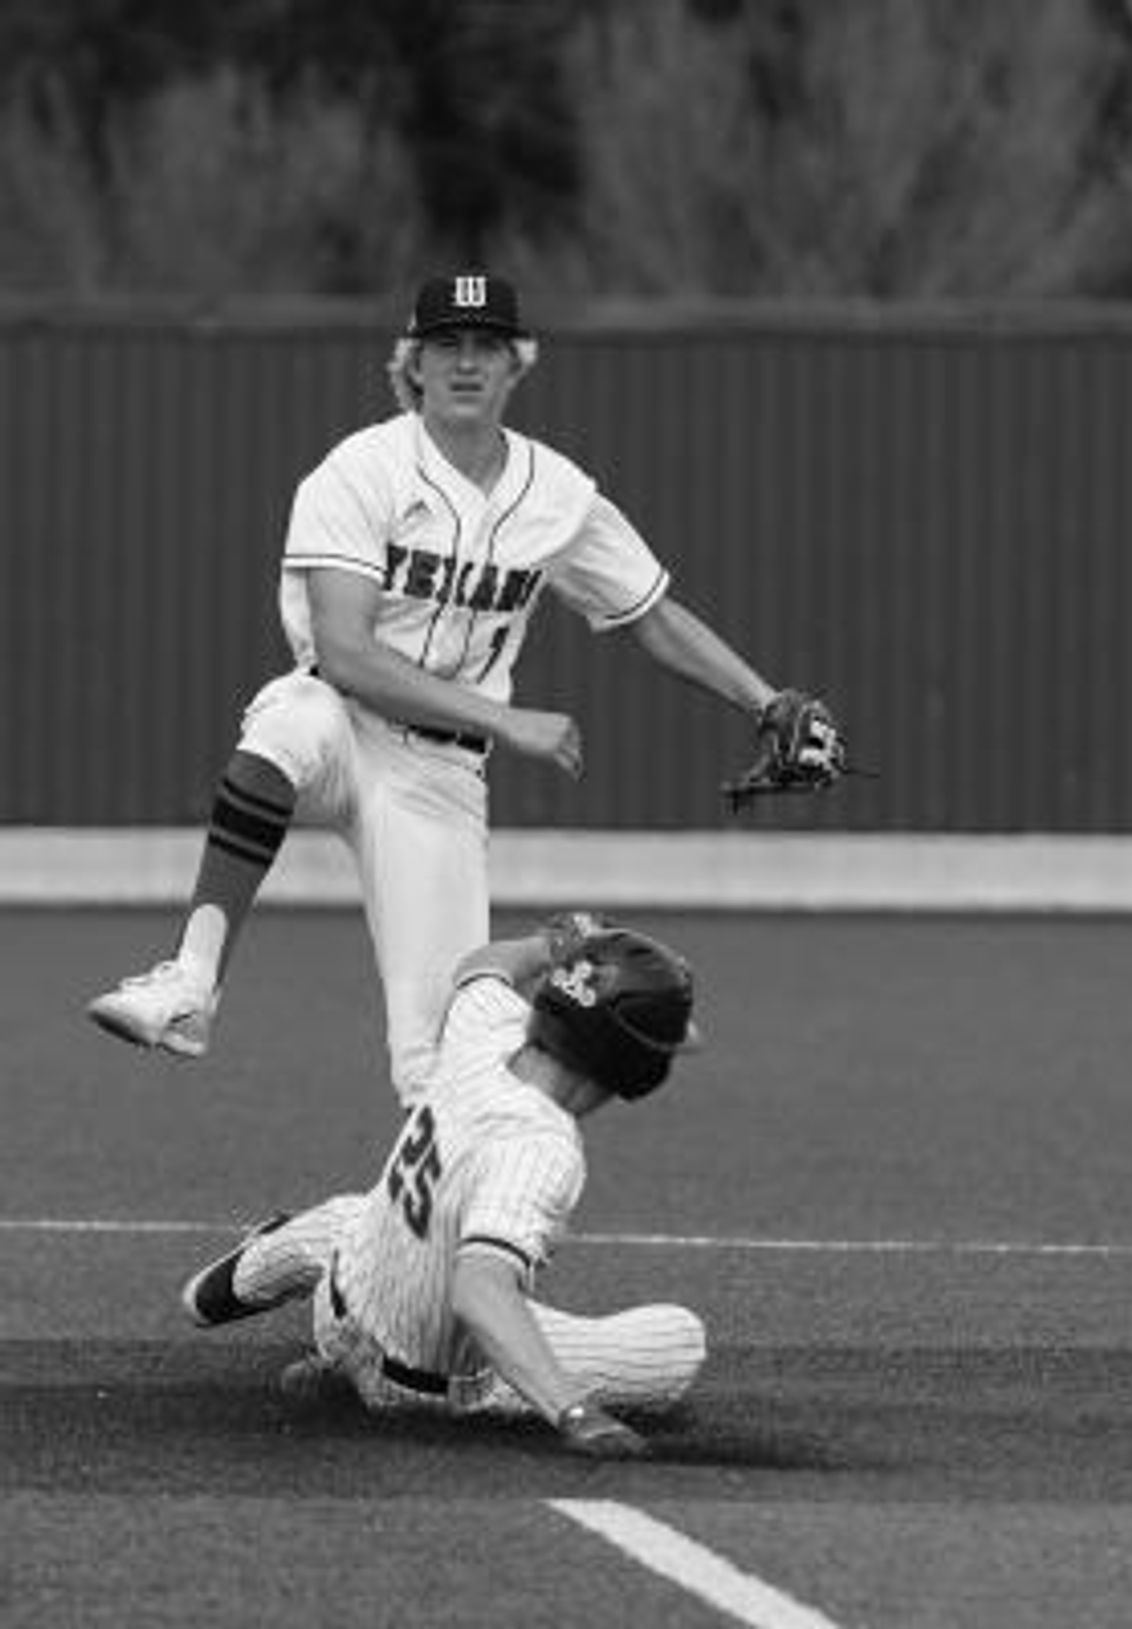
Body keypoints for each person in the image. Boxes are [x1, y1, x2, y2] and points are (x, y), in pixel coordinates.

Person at [88, 269, 816, 1104]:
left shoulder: (558, 494)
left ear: (517, 365)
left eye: (487, 347)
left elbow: (652, 612)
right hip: (343, 723)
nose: (467, 362)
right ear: (414, 364)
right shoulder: (360, 469)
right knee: (288, 719)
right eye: (447, 346)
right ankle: (190, 981)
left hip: (437, 778)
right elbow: (349, 653)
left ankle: (418, 1228)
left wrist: (768, 699)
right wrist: (509, 722)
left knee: (441, 1069)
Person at [178, 915, 707, 1459]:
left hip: (336, 1303)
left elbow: (481, 967)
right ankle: (346, 1370)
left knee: (359, 1216)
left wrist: (549, 946)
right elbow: (479, 1294)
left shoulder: (490, 1028)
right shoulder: (539, 1148)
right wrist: (574, 1411)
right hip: (414, 1389)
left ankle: (228, 1283)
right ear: (635, 1066)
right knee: (679, 1340)